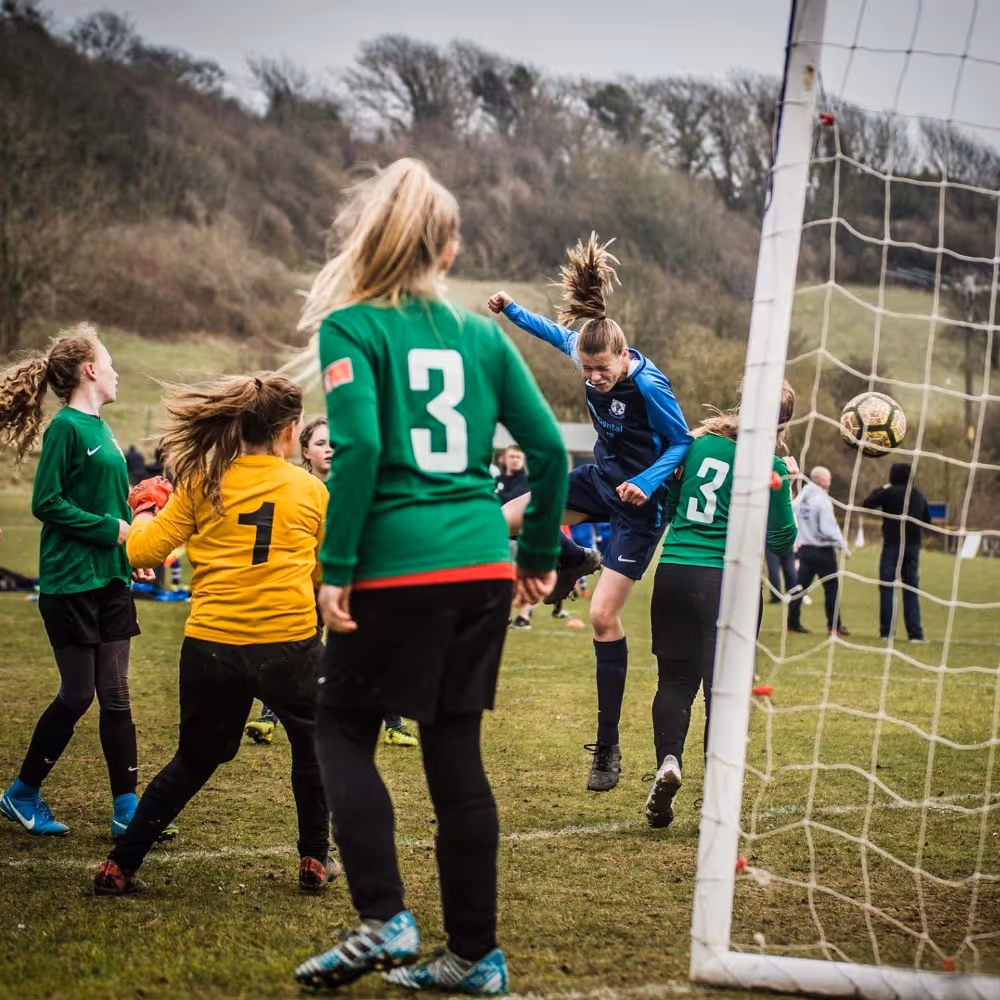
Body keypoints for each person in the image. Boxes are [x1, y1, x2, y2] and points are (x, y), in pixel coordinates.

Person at [292, 158, 567, 995]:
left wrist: (336, 567)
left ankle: (383, 918)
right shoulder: (483, 337)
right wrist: (540, 558)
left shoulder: (351, 326)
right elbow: (552, 449)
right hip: (482, 564)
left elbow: (366, 449)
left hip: (400, 566)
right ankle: (476, 956)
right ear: (446, 254)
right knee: (454, 753)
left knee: (339, 726)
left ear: (374, 240)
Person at [93, 372, 338, 897]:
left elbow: (141, 553)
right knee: (313, 748)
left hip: (212, 644)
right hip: (288, 643)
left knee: (196, 757)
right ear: (290, 431)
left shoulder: (204, 480)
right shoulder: (312, 490)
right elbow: (324, 575)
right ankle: (315, 859)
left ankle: (120, 864)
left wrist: (142, 509)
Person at [489, 234, 692, 792]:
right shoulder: (585, 349)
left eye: (602, 370)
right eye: (587, 370)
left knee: (603, 618)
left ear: (623, 357)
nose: (593, 378)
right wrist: (510, 311)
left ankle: (607, 748)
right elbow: (552, 333)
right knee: (499, 519)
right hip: (597, 481)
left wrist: (646, 483)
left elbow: (681, 446)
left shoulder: (650, 386)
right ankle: (576, 559)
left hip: (641, 508)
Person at [0, 325, 153, 839]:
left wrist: (131, 552)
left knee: (117, 695)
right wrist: (114, 530)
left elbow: (112, 508)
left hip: (111, 580)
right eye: (109, 361)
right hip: (70, 583)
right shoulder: (66, 427)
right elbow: (46, 502)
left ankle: (127, 811)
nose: (115, 371)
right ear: (90, 369)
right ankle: (22, 793)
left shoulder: (104, 430)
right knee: (77, 694)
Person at [646, 386, 798, 828]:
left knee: (674, 678)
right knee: (723, 693)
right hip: (728, 582)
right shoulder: (770, 467)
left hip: (673, 571)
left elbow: (671, 507)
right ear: (782, 426)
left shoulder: (697, 445)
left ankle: (669, 762)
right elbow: (781, 540)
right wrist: (786, 484)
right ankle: (716, 801)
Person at [244, 417, 421, 748]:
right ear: (305, 450)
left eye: (335, 444)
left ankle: (394, 724)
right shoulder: (292, 486)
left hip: (351, 585)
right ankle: (268, 719)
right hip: (303, 586)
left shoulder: (356, 487)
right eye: (321, 443)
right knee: (292, 654)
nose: (330, 450)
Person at [863, 463, 932, 642]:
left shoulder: (889, 493)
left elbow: (867, 503)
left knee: (887, 588)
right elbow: (928, 522)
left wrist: (882, 488)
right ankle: (915, 634)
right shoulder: (919, 495)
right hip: (913, 548)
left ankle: (887, 633)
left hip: (892, 546)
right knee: (911, 590)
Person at [788, 466, 850, 636]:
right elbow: (827, 529)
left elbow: (791, 513)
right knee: (832, 588)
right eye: (829, 479)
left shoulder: (801, 497)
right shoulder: (822, 501)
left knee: (800, 587)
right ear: (822, 481)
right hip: (823, 552)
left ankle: (792, 624)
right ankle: (834, 626)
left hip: (805, 550)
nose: (830, 482)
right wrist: (842, 544)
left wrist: (797, 539)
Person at [496, 445, 536, 629]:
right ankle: (505, 616)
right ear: (503, 459)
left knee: (525, 578)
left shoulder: (526, 482)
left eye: (518, 457)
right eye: (511, 456)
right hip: (500, 536)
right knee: (503, 579)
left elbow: (514, 500)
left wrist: (499, 497)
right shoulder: (497, 480)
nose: (515, 460)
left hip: (522, 536)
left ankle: (524, 616)